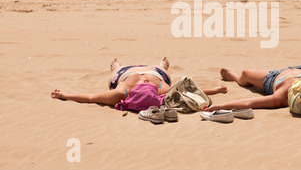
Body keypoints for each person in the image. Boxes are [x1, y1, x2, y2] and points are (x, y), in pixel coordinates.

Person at [51, 57, 227, 111]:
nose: (144, 82)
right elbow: (192, 92)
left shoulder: (121, 92)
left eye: (144, 84)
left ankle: (116, 67)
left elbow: (90, 98)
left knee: (113, 75)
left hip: (125, 72)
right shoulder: (161, 89)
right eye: (146, 84)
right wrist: (216, 90)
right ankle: (161, 66)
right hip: (155, 72)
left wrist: (65, 95)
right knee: (165, 73)